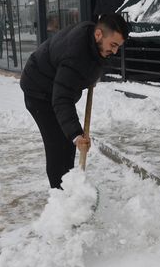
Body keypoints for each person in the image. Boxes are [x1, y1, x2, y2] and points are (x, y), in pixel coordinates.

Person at [20, 13, 130, 189]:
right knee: (57, 145)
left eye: (118, 46)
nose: (115, 51)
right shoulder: (76, 55)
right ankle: (60, 198)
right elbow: (62, 98)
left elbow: (86, 66)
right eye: (113, 45)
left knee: (68, 143)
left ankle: (69, 187)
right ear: (99, 34)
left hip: (54, 87)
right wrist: (76, 135)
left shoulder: (92, 39)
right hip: (39, 91)